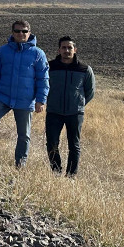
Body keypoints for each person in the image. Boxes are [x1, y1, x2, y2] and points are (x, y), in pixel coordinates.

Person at [0, 20, 49, 167]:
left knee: (24, 135)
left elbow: (43, 79)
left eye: (24, 31)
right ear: (12, 33)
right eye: (17, 31)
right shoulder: (3, 51)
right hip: (3, 96)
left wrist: (41, 100)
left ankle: (20, 164)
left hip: (25, 100)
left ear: (29, 33)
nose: (21, 34)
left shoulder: (38, 54)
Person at [45, 36, 95, 176]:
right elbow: (44, 86)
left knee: (74, 145)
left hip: (75, 113)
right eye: (64, 47)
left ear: (75, 49)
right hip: (54, 112)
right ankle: (56, 172)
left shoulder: (84, 69)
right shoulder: (50, 67)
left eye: (70, 47)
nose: (67, 50)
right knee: (52, 144)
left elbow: (90, 92)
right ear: (59, 49)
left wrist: (79, 104)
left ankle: (71, 175)